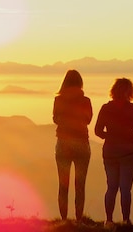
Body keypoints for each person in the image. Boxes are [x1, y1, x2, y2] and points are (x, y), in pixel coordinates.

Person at [94, 78, 133, 225]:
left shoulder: (105, 108)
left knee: (111, 187)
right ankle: (125, 220)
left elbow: (98, 130)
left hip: (110, 152)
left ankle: (108, 220)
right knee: (125, 189)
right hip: (129, 153)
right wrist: (130, 135)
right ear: (129, 92)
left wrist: (109, 137)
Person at [53, 70, 93, 222]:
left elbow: (56, 119)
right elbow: (88, 119)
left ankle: (63, 220)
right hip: (82, 143)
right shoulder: (86, 100)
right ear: (80, 83)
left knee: (63, 185)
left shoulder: (58, 100)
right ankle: (78, 219)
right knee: (80, 185)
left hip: (63, 143)